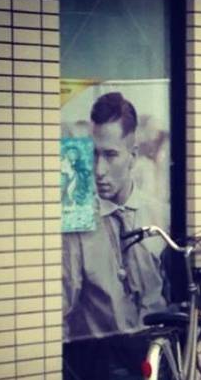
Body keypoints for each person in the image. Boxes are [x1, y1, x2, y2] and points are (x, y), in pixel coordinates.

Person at [62, 92, 168, 342]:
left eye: (110, 155)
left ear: (133, 156)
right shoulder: (78, 222)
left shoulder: (161, 215)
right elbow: (62, 310)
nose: (99, 170)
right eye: (94, 155)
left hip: (157, 350)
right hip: (102, 356)